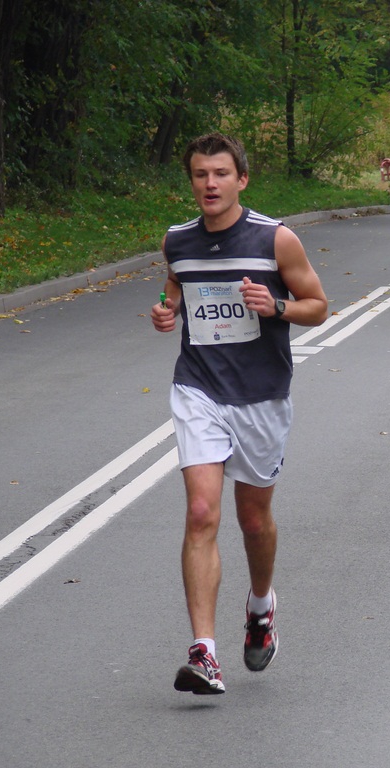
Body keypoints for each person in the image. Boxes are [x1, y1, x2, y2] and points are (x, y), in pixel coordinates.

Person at [150, 133, 329, 695]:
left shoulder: (276, 239)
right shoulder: (177, 241)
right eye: (201, 174)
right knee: (202, 512)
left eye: (221, 174)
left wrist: (276, 306)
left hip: (262, 396)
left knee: (253, 521)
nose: (210, 184)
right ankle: (204, 651)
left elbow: (318, 307)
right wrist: (166, 311)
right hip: (199, 389)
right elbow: (175, 290)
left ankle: (260, 605)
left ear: (241, 180)